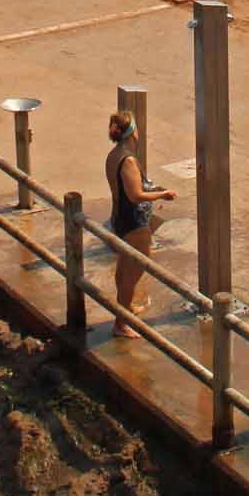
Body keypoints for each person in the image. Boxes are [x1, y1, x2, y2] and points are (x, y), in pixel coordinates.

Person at [105, 109, 177, 337]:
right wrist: (162, 195)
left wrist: (152, 189)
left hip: (119, 217)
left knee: (124, 266)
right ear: (132, 132)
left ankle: (124, 308)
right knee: (136, 269)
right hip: (134, 221)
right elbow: (135, 195)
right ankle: (121, 323)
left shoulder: (113, 155)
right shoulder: (127, 160)